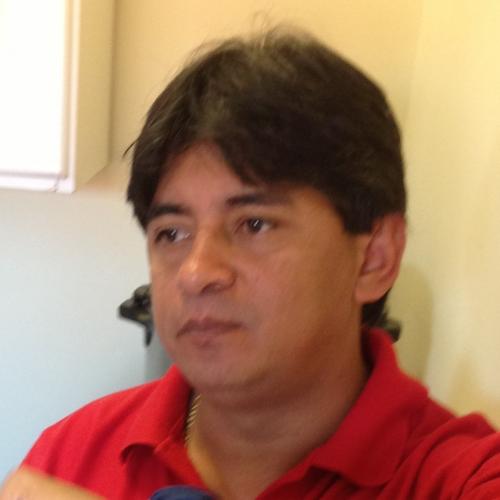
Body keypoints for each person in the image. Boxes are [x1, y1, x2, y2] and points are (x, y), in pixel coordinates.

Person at [2, 27, 500, 500]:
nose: (196, 272)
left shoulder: (463, 478)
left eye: (254, 224)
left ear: (374, 258)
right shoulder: (68, 455)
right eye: (171, 233)